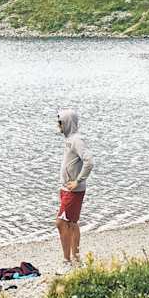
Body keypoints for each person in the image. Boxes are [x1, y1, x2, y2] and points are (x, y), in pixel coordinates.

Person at [56, 108, 93, 273]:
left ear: (67, 123)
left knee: (61, 223)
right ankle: (76, 258)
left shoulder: (77, 140)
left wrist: (78, 181)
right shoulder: (70, 140)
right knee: (72, 223)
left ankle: (67, 262)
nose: (58, 126)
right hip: (66, 189)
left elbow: (89, 162)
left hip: (73, 190)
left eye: (60, 122)